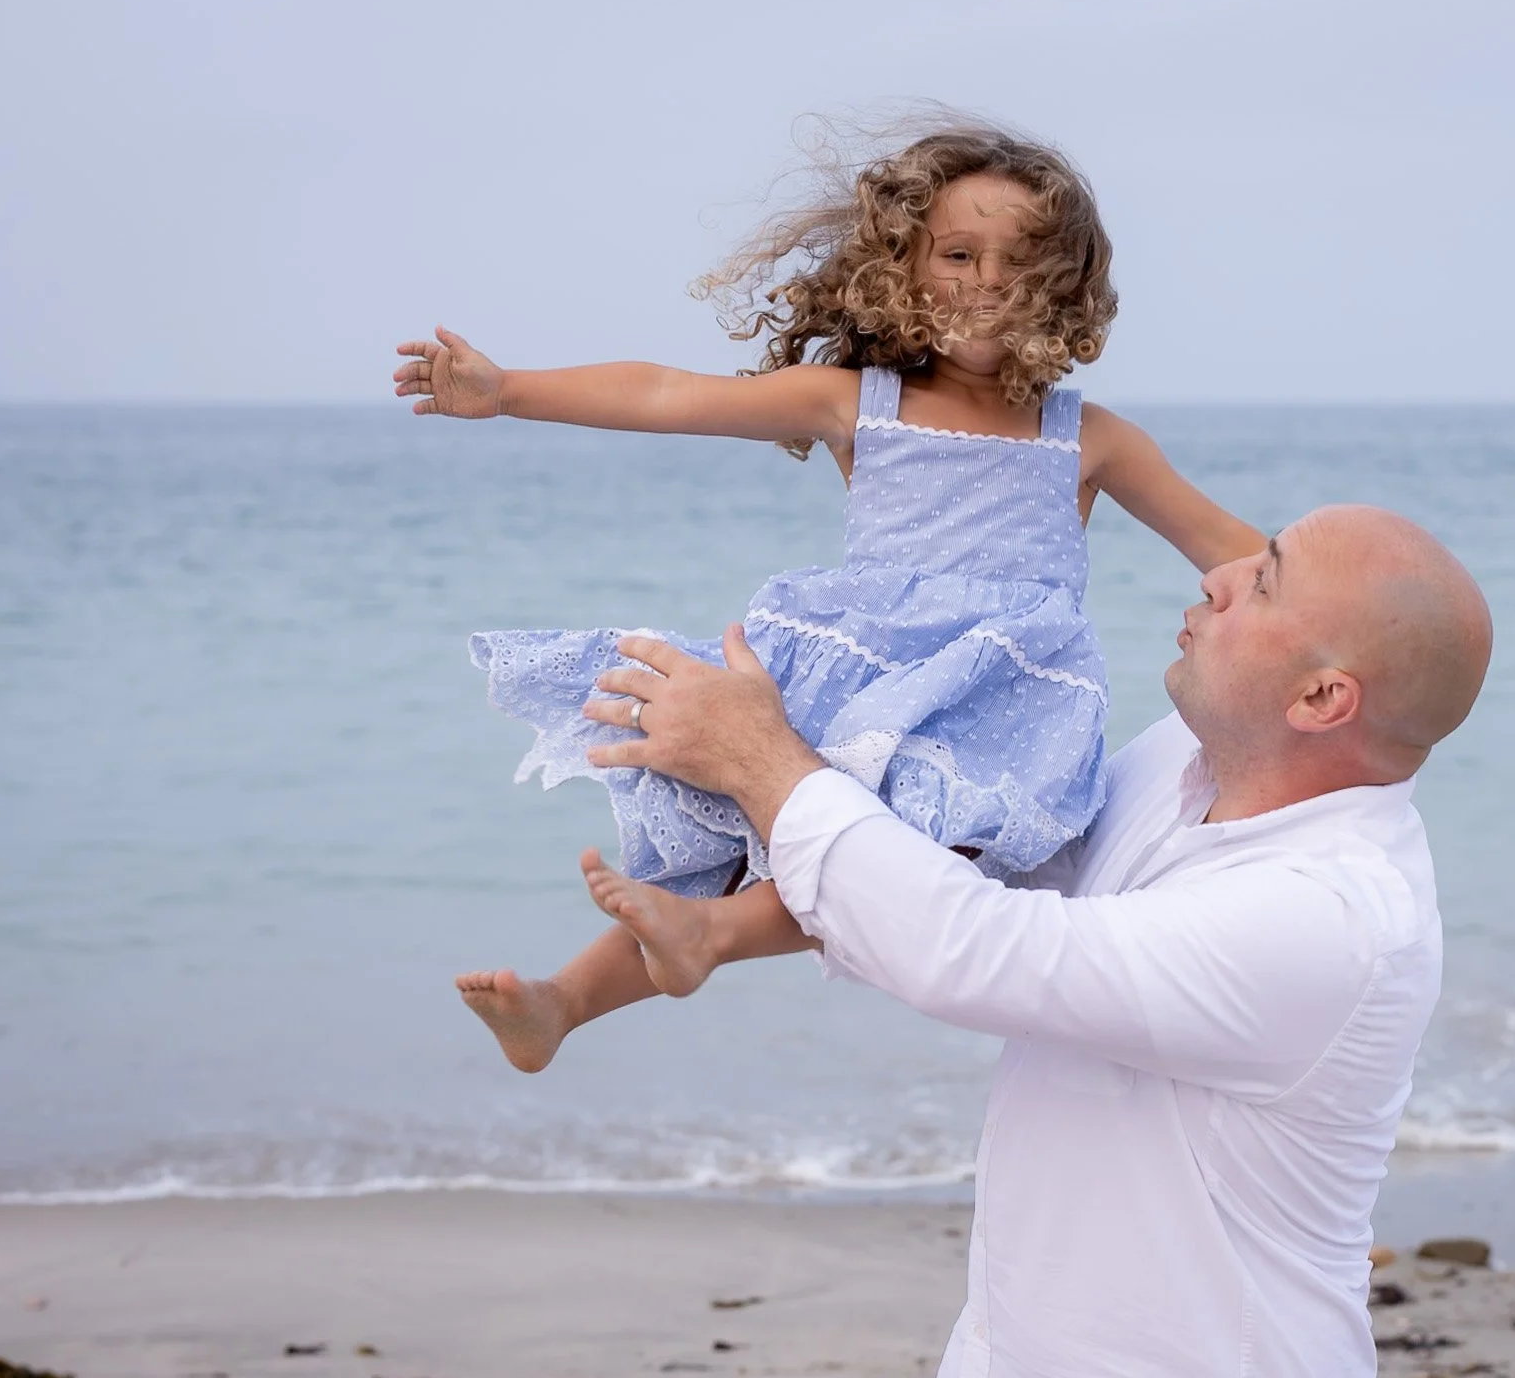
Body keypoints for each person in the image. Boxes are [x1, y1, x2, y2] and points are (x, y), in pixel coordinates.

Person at [390, 121, 1262, 1071]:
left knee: (900, 850)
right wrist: (508, 388)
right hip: (862, 666)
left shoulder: (1090, 438)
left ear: (1064, 283)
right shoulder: (857, 401)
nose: (984, 282)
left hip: (994, 700)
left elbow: (1235, 554)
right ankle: (564, 1000)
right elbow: (666, 396)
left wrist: (1373, 612)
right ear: (905, 267)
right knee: (723, 829)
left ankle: (710, 938)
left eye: (1019, 263)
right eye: (958, 255)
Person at [570, 503, 1493, 1378]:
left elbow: (979, 950)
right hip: (1012, 1355)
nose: (1217, 576)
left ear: (1323, 698)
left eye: (1263, 583)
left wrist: (759, 757)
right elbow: (999, 863)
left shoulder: (1330, 917)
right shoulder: (1189, 759)